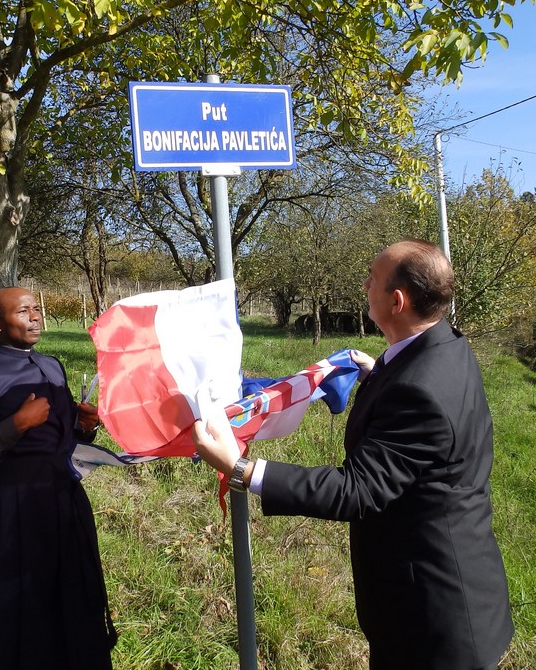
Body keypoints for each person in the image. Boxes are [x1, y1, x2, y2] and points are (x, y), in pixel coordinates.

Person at [193, 240, 513, 670]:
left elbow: (356, 490)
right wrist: (378, 373)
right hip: (453, 586)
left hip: (432, 621)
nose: (364, 286)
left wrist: (241, 469)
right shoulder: (446, 345)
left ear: (397, 301)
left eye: (372, 279)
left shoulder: (417, 390)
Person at [0, 287, 117, 670]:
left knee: (69, 596)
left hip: (64, 503)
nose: (35, 317)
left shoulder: (52, 366)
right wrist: (16, 424)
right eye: (23, 311)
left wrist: (85, 426)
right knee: (18, 606)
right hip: (11, 510)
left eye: (36, 308)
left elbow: (61, 436)